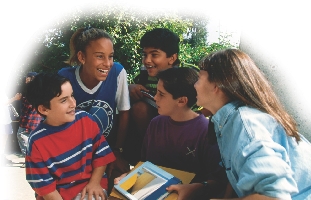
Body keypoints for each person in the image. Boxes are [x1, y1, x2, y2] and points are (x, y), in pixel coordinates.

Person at [194, 48, 311, 199]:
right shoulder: (226, 122)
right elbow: (236, 173)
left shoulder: (246, 124)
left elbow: (274, 197)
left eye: (199, 78)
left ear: (216, 85)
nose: (195, 85)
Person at [116, 68, 229, 199]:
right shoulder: (156, 123)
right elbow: (145, 164)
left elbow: (217, 182)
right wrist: (130, 177)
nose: (155, 98)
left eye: (161, 94)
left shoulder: (205, 131)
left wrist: (196, 188)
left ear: (181, 101)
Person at [58, 27, 131, 193]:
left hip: (107, 149)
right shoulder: (64, 77)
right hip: (76, 152)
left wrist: (117, 151)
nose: (107, 63)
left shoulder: (117, 72)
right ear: (82, 57)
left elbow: (124, 112)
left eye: (110, 56)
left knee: (119, 183)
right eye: (100, 56)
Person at [125, 28, 210, 165]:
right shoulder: (144, 76)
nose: (147, 60)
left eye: (154, 55)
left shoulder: (187, 76)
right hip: (154, 128)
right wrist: (131, 88)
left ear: (172, 58)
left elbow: (212, 102)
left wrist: (193, 116)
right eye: (145, 54)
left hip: (183, 125)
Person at [25, 72, 116, 200]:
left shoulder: (85, 120)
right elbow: (46, 188)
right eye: (64, 100)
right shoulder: (37, 142)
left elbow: (102, 155)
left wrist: (95, 183)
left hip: (92, 187)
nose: (73, 103)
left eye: (72, 96)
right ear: (44, 109)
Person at [16, 72, 43, 158]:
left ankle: (29, 159)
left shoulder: (30, 90)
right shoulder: (40, 89)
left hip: (28, 120)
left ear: (31, 78)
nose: (25, 80)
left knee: (22, 135)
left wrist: (20, 98)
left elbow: (29, 104)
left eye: (27, 78)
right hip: (37, 119)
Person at [0, 93, 21, 166]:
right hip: (2, 121)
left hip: (6, 120)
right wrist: (14, 98)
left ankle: (2, 156)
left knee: (4, 139)